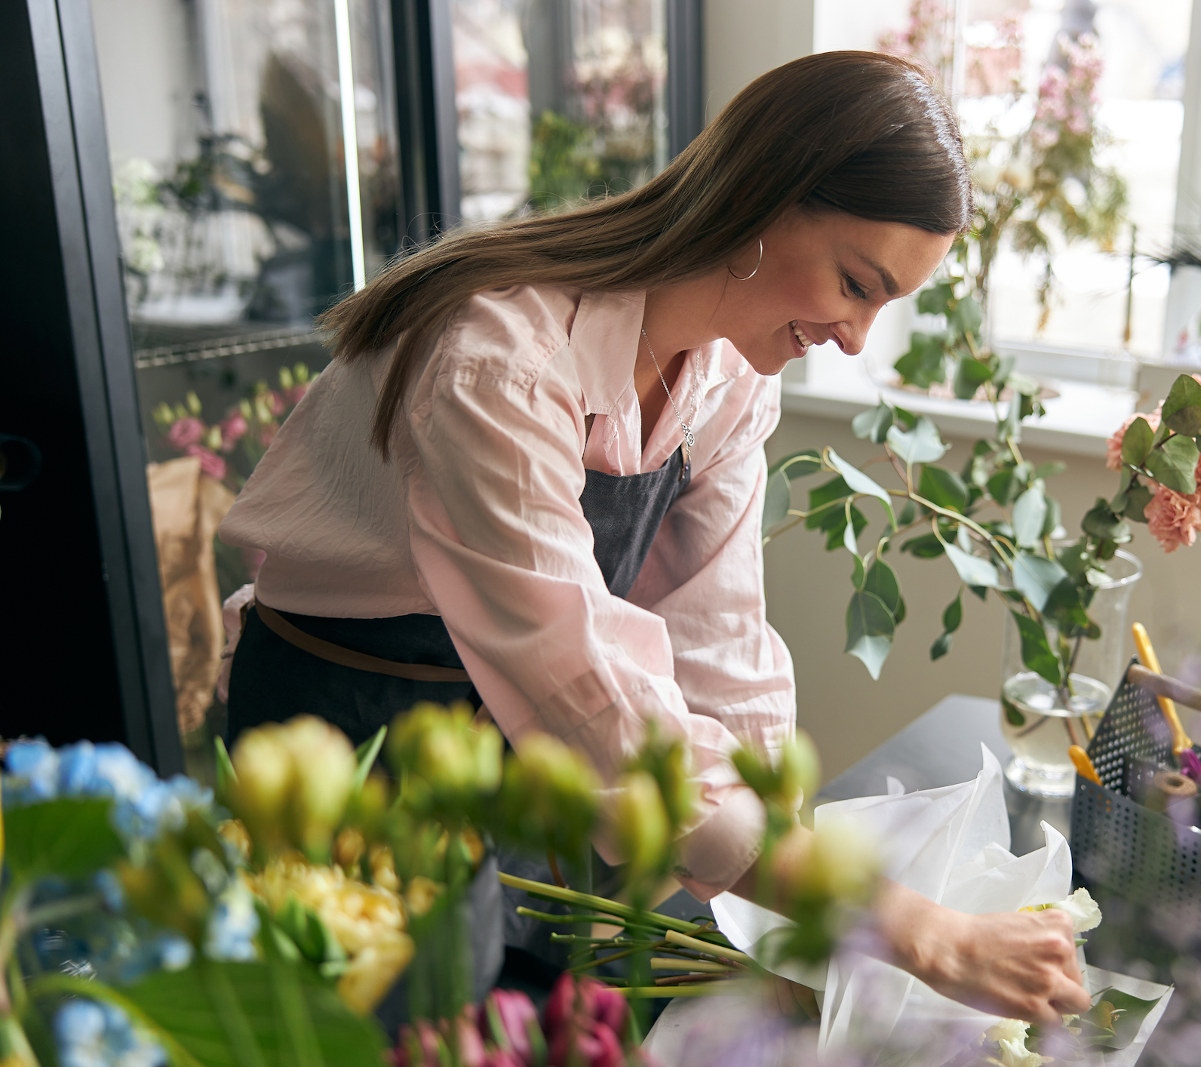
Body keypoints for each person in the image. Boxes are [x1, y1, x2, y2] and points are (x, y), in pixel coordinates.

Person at [219, 50, 1090, 1026]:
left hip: (532, 741)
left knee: (548, 1012)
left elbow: (721, 642)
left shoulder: (729, 378)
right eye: (855, 281)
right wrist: (914, 927)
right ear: (762, 199)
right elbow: (590, 691)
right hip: (354, 735)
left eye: (883, 302)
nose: (855, 335)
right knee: (401, 1026)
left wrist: (794, 889)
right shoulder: (500, 365)